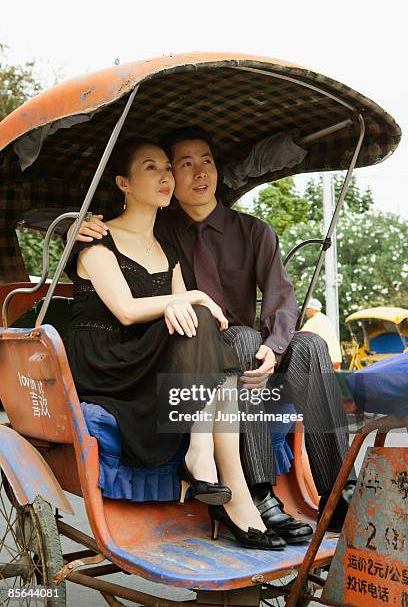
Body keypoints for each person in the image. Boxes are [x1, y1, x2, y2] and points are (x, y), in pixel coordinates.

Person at [74, 127, 355, 535]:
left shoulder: (253, 231)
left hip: (243, 345)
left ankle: (336, 492)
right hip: (199, 344)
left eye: (205, 161)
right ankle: (259, 492)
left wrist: (276, 348)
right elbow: (112, 229)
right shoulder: (162, 226)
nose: (197, 173)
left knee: (309, 345)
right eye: (183, 164)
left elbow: (281, 297)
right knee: (239, 339)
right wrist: (74, 228)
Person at [65, 137, 285, 550]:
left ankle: (225, 480)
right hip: (106, 359)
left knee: (198, 320)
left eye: (167, 167)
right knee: (196, 309)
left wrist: (189, 303)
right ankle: (213, 473)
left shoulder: (167, 248)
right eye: (151, 168)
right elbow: (127, 310)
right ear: (123, 183)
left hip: (145, 357)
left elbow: (183, 311)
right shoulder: (96, 240)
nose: (166, 176)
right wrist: (192, 297)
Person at [301, 299, 343, 370]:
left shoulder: (313, 321)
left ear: (312, 309)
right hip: (336, 358)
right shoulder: (325, 319)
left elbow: (300, 337)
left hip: (323, 359)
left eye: (307, 309)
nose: (305, 311)